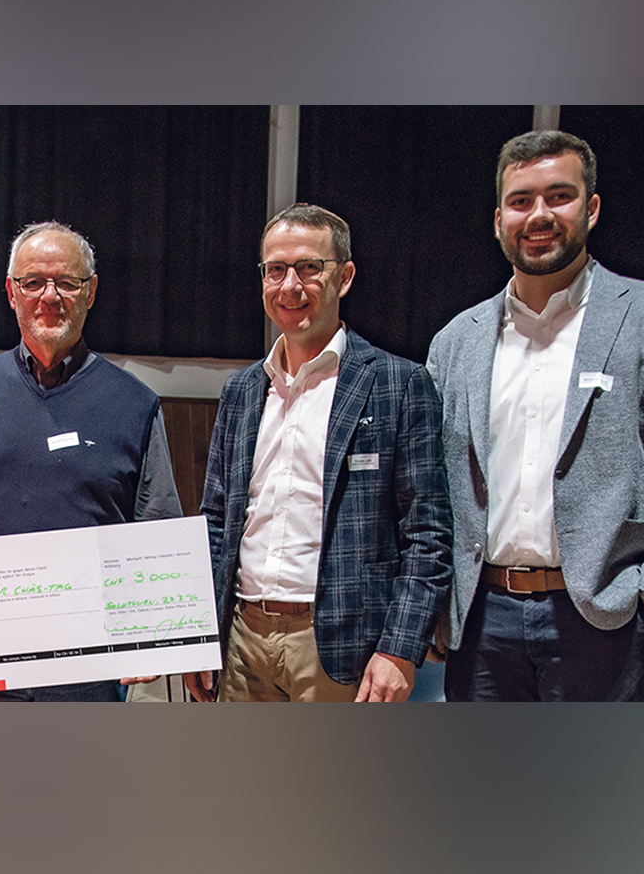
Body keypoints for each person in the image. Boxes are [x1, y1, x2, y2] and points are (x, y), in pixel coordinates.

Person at [427, 129, 644, 701]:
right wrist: (441, 602)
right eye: (521, 201)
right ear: (499, 220)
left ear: (590, 209)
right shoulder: (456, 340)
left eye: (558, 196)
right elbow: (432, 483)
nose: (539, 214)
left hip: (603, 619)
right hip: (481, 618)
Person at [184, 203, 452, 703]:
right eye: (276, 270)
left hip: (343, 645)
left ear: (344, 277)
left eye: (309, 267)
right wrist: (199, 634)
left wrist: (399, 648)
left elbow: (427, 533)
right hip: (241, 639)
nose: (290, 286)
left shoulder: (398, 384)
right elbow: (215, 522)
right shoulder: (242, 391)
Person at [0, 221, 184, 701]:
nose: (50, 296)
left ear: (91, 292)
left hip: (87, 667)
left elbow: (157, 525)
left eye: (67, 282)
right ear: (11, 292)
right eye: (33, 282)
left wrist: (151, 631)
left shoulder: (134, 402)